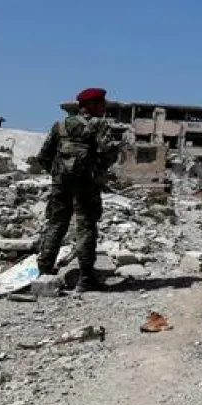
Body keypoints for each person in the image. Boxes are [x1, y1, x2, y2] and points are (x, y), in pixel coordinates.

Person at [34, 87, 121, 290]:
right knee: (86, 226)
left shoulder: (60, 125)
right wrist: (99, 169)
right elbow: (108, 152)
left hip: (60, 184)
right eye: (101, 103)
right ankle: (85, 278)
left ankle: (44, 272)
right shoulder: (98, 124)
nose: (104, 107)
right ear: (89, 105)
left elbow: (43, 156)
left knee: (56, 223)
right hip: (87, 184)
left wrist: (59, 175)